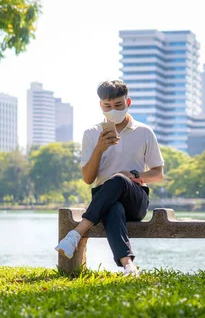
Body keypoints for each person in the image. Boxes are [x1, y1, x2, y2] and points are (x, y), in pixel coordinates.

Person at [55, 80, 164, 277]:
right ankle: (129, 266)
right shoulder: (91, 134)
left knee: (120, 179)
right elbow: (88, 179)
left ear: (128, 102)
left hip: (135, 198)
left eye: (118, 105)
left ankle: (76, 233)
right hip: (104, 201)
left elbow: (158, 173)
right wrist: (99, 149)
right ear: (100, 105)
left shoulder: (144, 132)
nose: (113, 110)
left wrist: (136, 176)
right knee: (113, 208)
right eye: (107, 106)